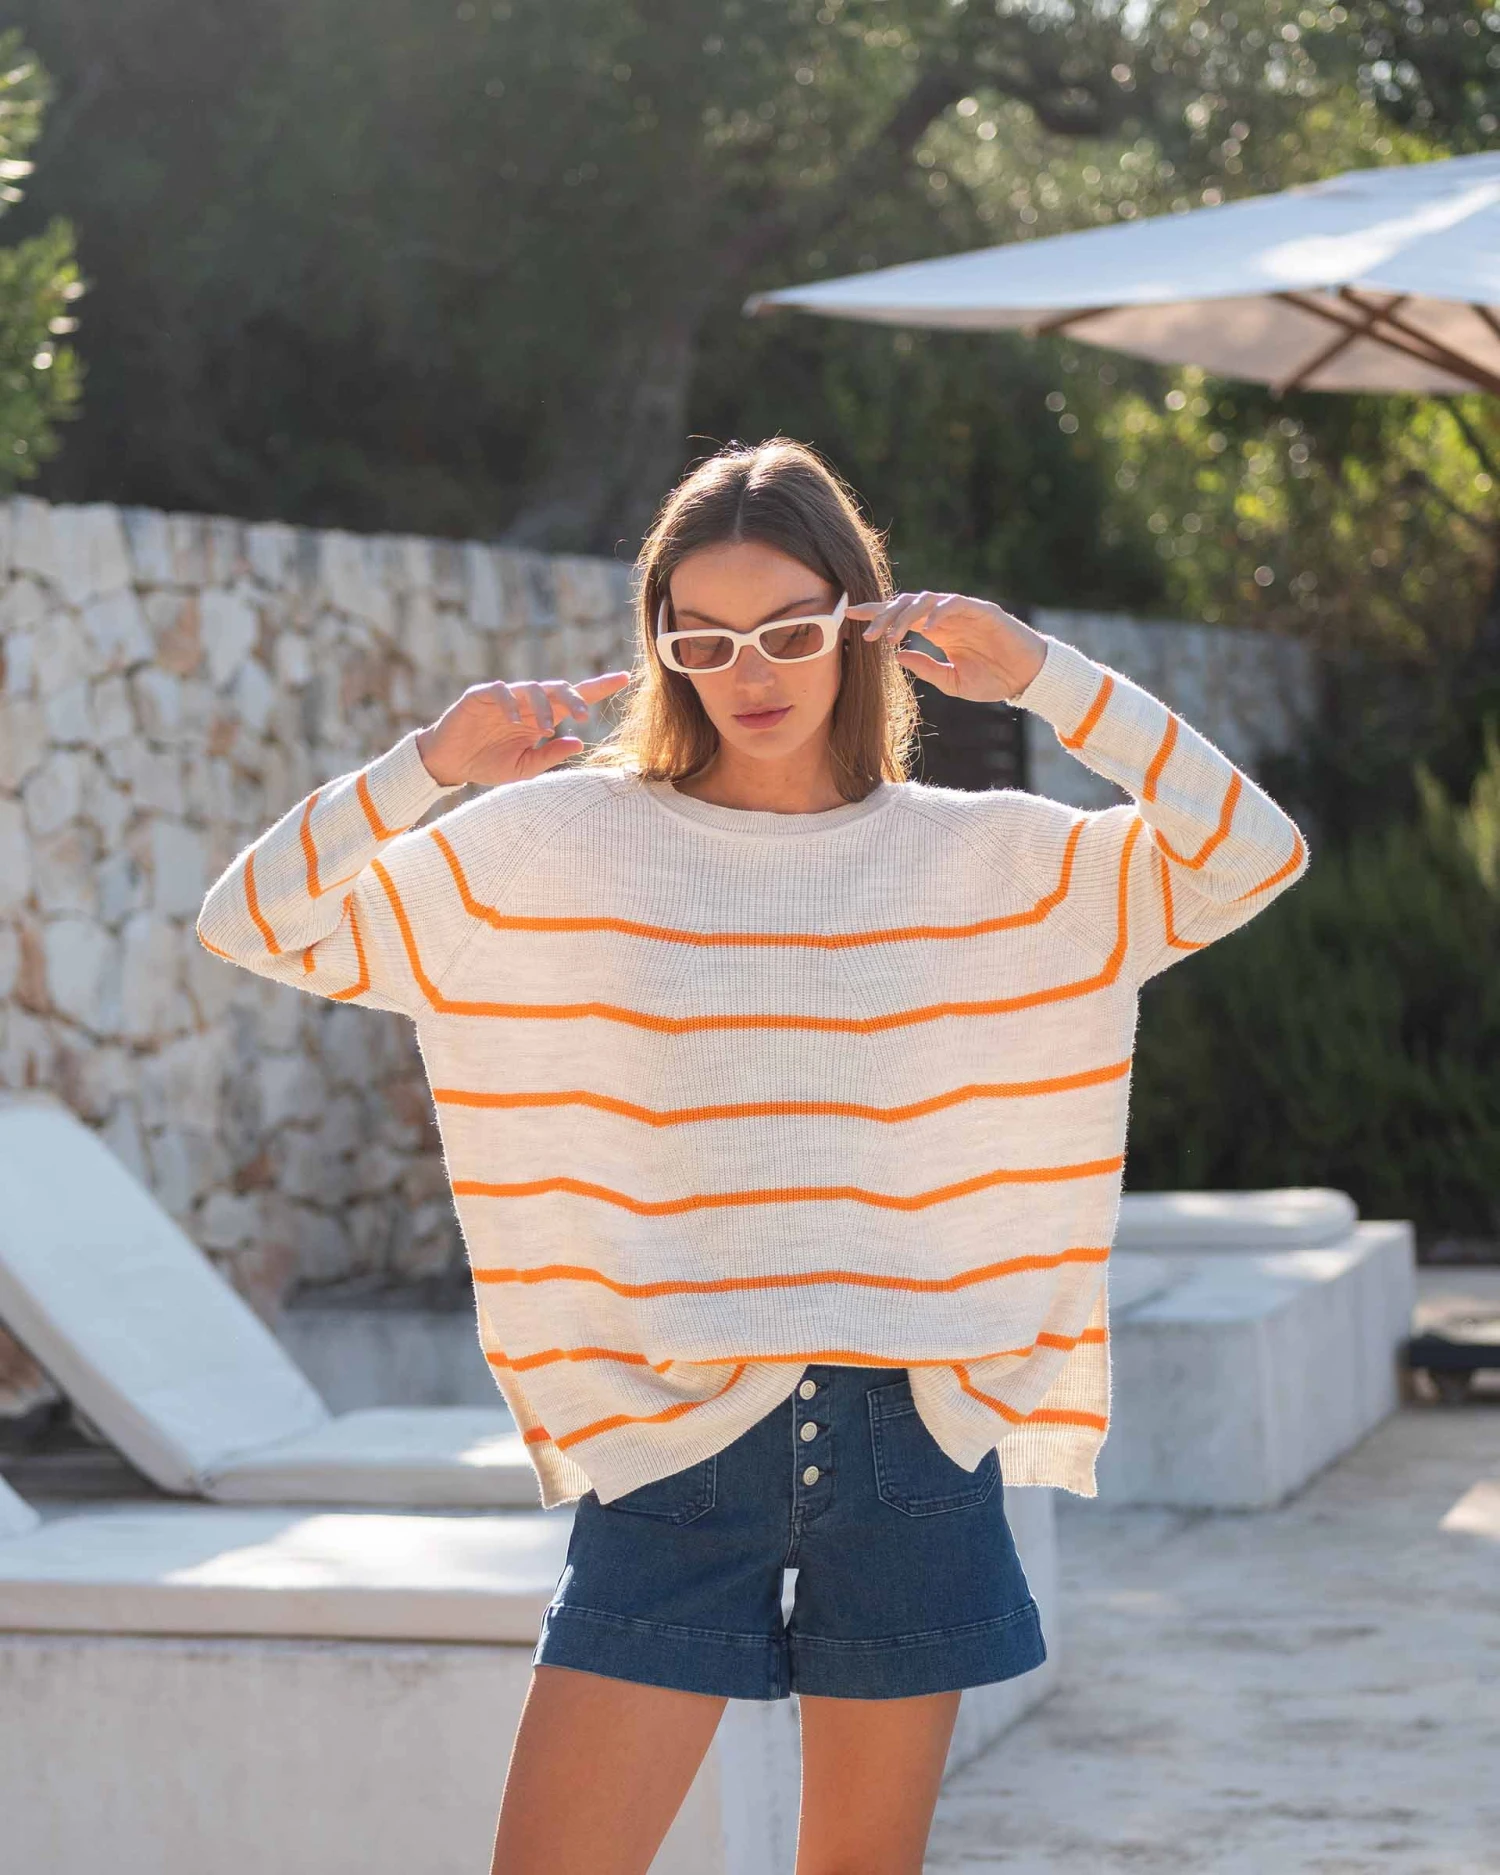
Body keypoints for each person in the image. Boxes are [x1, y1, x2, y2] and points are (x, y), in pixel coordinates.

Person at [197, 436, 1309, 1875]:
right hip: (673, 1444)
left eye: (789, 629)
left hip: (913, 1440)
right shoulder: (557, 844)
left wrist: (1045, 675)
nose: (751, 672)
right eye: (705, 639)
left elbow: (1251, 853)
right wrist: (431, 766)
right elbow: (256, 922)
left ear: (860, 620)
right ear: (661, 646)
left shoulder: (999, 862)